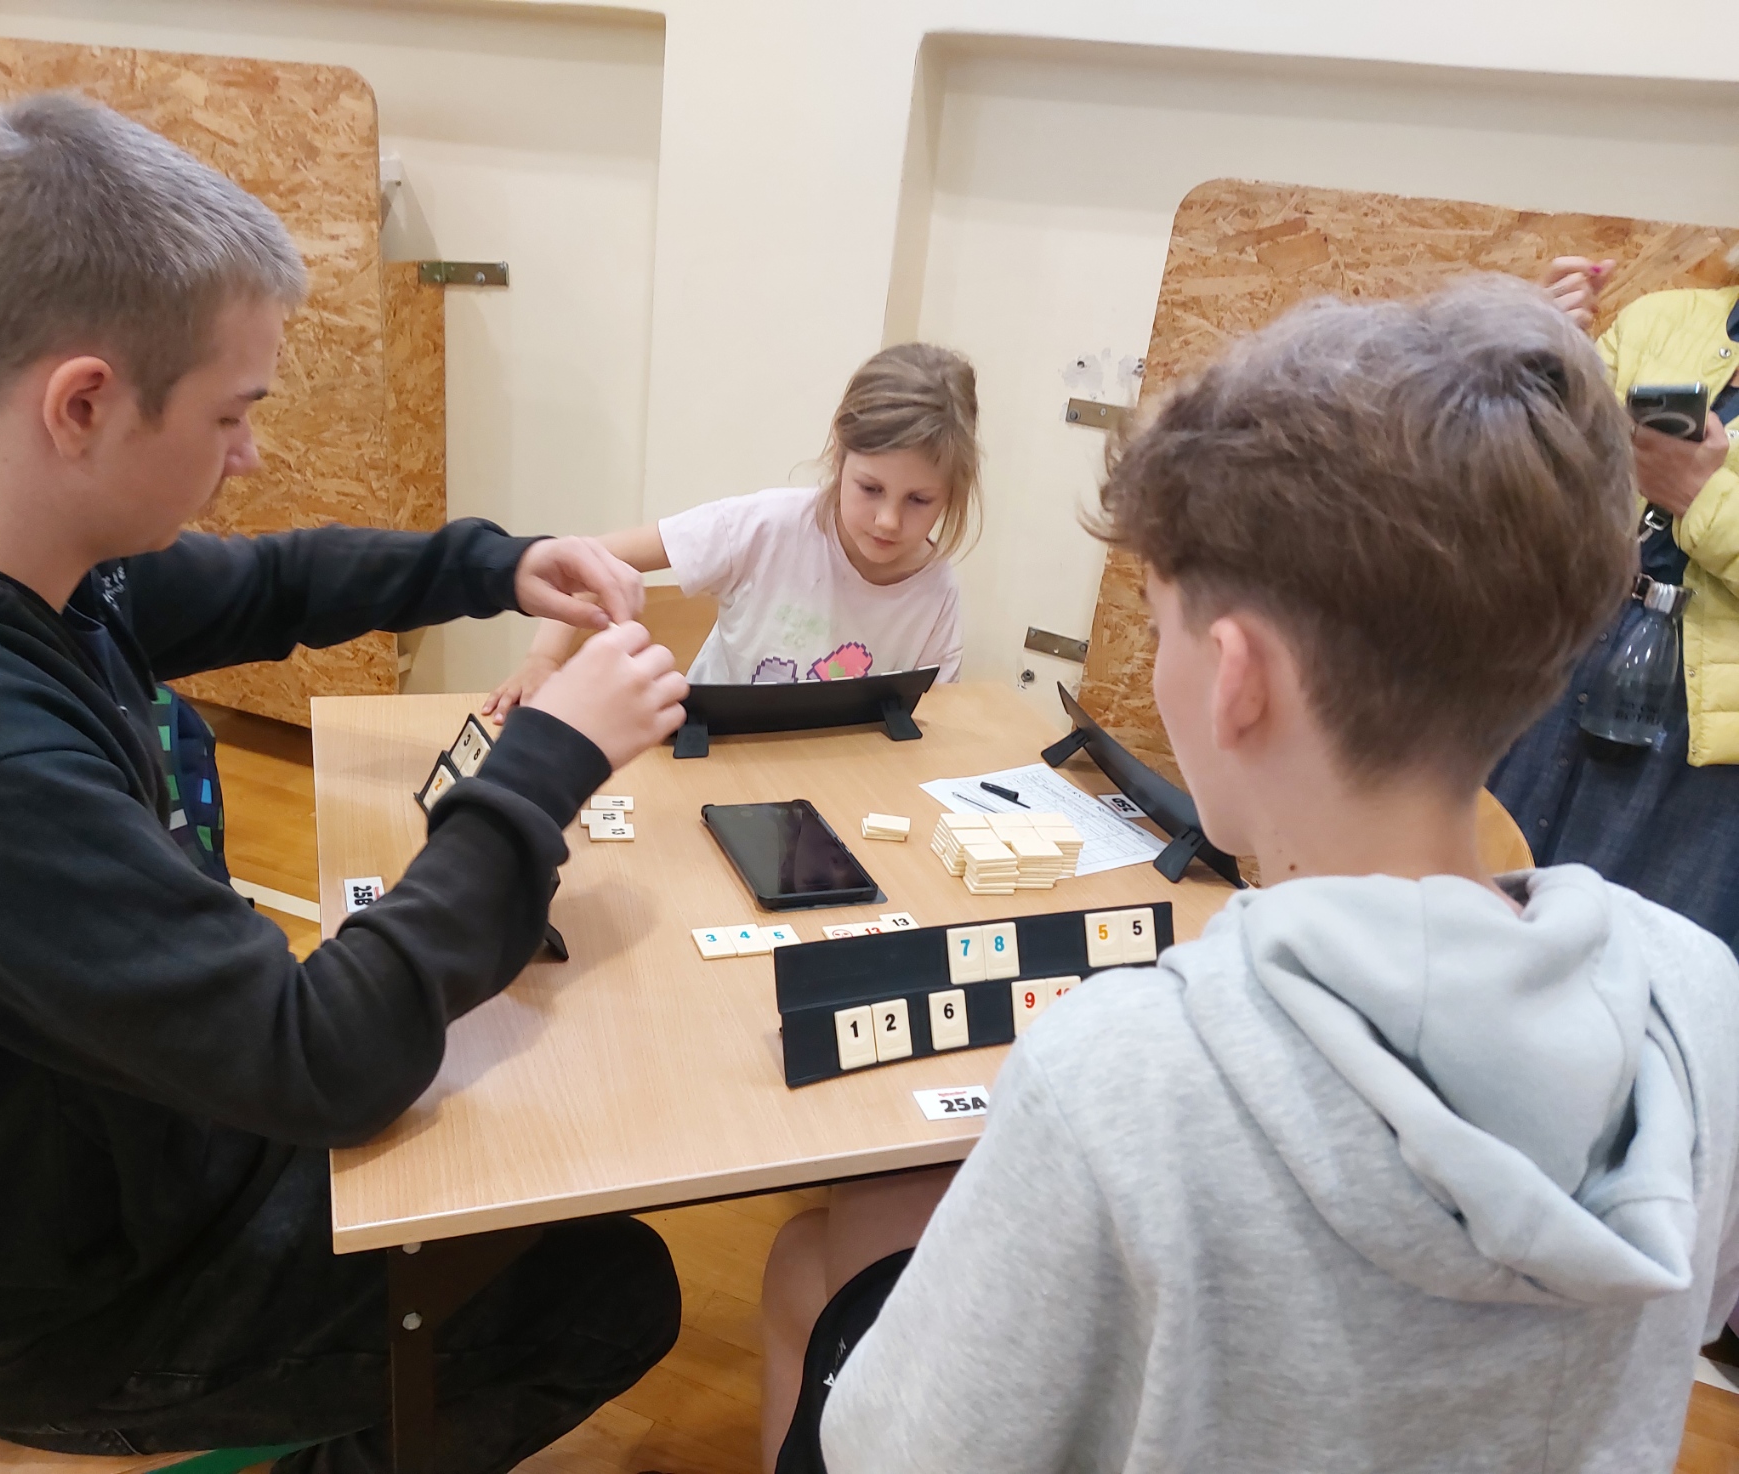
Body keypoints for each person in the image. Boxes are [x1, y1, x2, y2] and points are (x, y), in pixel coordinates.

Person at [0, 94, 692, 1474]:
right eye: (230, 413)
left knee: (515, 1101)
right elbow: (322, 1061)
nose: (248, 452)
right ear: (83, 404)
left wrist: (497, 561)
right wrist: (547, 762)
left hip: (142, 1146)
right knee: (603, 1290)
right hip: (81, 1311)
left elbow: (269, 581)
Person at [809, 277, 1739, 1472]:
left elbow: (893, 1450)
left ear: (1236, 678)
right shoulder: (1703, 997)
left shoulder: (1117, 1077)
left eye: (1162, 625)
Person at [482, 341, 979, 717]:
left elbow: (933, 724)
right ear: (839, 456)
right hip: (716, 760)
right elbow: (582, 563)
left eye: (919, 500)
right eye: (870, 489)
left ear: (951, 493)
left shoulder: (936, 592)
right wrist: (544, 659)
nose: (888, 520)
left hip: (842, 780)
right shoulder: (763, 527)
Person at [1493, 249, 1739, 949]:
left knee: (1629, 963)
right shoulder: (1661, 320)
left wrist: (1700, 495)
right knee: (1480, 912)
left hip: (1703, 748)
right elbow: (1527, 481)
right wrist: (1531, 361)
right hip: (1560, 665)